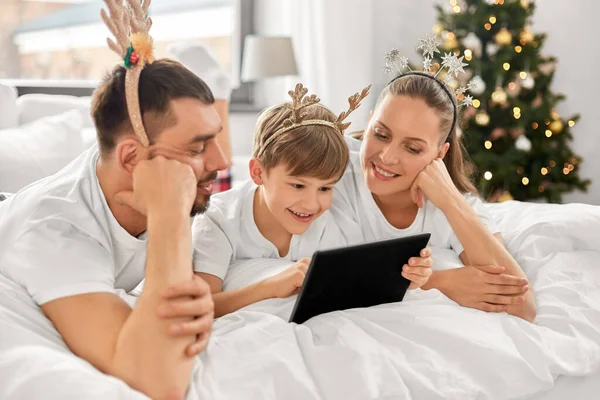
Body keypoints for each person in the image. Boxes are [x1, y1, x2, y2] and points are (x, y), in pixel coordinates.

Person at [0, 1, 227, 398]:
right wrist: (170, 213)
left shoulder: (145, 183)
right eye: (197, 147)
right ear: (131, 158)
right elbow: (156, 381)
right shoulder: (57, 232)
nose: (221, 161)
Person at [192, 83, 434, 318]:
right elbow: (202, 307)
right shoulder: (217, 220)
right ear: (258, 172)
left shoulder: (329, 222)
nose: (311, 204)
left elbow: (357, 280)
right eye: (298, 185)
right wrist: (270, 286)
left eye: (325, 188)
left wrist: (407, 278)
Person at [334, 69, 536, 322]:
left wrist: (450, 200)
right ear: (371, 121)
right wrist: (438, 281)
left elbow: (523, 306)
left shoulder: (454, 205)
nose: (387, 157)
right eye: (381, 134)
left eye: (412, 148)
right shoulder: (330, 174)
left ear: (440, 154)